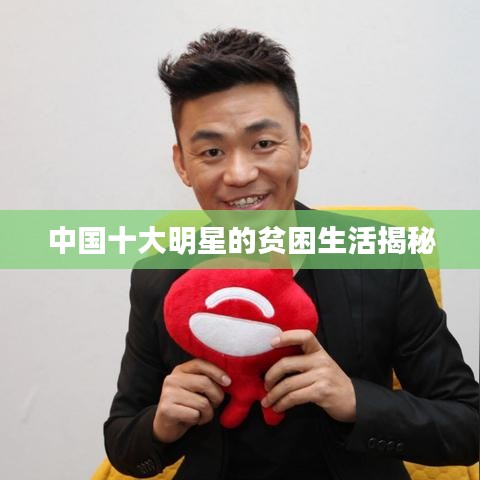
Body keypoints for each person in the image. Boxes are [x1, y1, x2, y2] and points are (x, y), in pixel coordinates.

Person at [104, 29, 479, 479]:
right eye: (212, 151)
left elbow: (467, 424)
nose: (240, 174)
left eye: (263, 143)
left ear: (303, 144)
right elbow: (124, 443)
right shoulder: (159, 276)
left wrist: (355, 401)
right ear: (182, 164)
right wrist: (161, 425)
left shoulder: (382, 257)